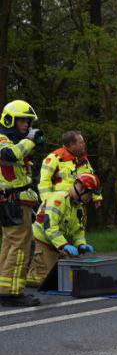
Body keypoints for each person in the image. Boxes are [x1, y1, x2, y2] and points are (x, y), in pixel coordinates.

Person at [0, 99, 44, 306]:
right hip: (12, 202)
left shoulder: (13, 140)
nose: (26, 126)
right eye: (22, 121)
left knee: (10, 244)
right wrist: (30, 140)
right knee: (19, 246)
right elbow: (8, 157)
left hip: (14, 202)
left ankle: (4, 288)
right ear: (9, 120)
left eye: (28, 122)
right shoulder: (2, 140)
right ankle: (12, 293)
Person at [27, 173, 98, 288]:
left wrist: (81, 244)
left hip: (56, 245)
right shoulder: (58, 199)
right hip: (40, 242)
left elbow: (78, 231)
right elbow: (49, 226)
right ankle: (26, 271)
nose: (90, 198)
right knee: (46, 280)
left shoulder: (78, 207)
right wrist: (63, 245)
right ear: (81, 189)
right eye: (90, 194)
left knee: (73, 272)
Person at [39, 130, 97, 202]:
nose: (84, 144)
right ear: (72, 144)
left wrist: (96, 197)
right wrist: (47, 201)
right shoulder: (54, 158)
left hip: (79, 203)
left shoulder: (83, 159)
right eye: (81, 142)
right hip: (59, 202)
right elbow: (44, 182)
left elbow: (90, 179)